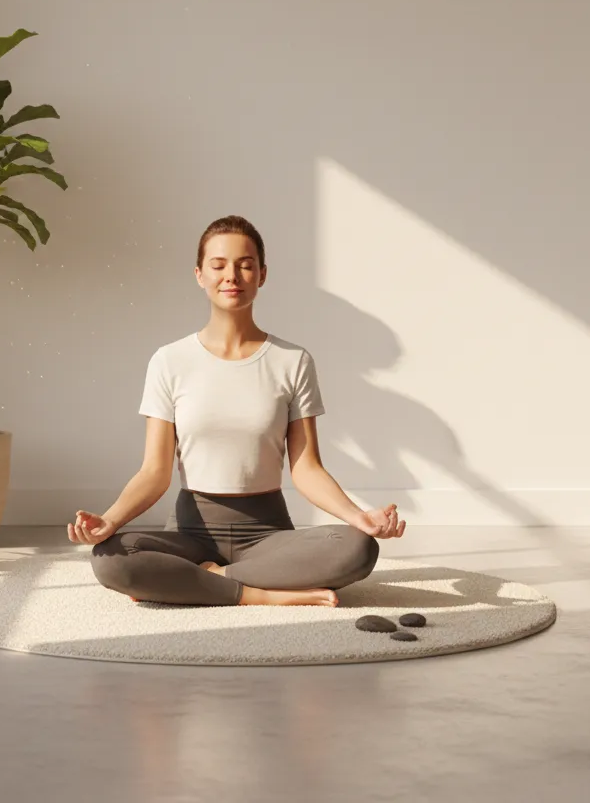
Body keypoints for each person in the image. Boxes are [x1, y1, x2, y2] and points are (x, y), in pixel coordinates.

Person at [68, 215, 406, 607]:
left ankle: (204, 581)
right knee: (111, 559)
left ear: (262, 275)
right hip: (191, 535)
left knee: (357, 548)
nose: (232, 275)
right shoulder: (169, 361)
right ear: (199, 274)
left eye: (246, 264)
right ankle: (260, 594)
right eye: (218, 265)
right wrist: (109, 521)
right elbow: (154, 472)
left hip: (268, 536)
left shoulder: (292, 361)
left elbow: (307, 467)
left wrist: (358, 516)